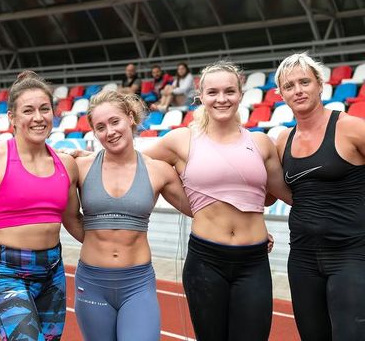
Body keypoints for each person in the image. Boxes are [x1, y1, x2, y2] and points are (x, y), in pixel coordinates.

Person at [144, 61, 292, 341]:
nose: (221, 99)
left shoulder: (261, 143)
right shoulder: (181, 139)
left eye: (229, 91)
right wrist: (86, 159)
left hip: (253, 261)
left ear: (240, 94)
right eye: (212, 92)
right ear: (200, 96)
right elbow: (133, 163)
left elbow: (284, 194)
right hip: (205, 260)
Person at [61, 90, 192, 341]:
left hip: (137, 284)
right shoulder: (80, 167)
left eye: (115, 121)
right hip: (92, 282)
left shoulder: (159, 170)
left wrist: (246, 222)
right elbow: (69, 217)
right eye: (100, 127)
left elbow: (198, 209)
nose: (110, 132)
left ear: (130, 118)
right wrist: (98, 241)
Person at [0, 71, 79, 340]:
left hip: (53, 274)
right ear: (12, 118)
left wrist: (117, 239)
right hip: (8, 274)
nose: (38, 117)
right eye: (28, 110)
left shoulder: (67, 164)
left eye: (44, 109)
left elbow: (74, 221)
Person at [275, 53, 365, 341]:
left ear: (319, 85)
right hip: (302, 259)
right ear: (281, 94)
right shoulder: (283, 141)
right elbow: (274, 194)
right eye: (289, 86)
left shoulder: (351, 127)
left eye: (304, 82)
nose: (298, 90)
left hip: (351, 254)